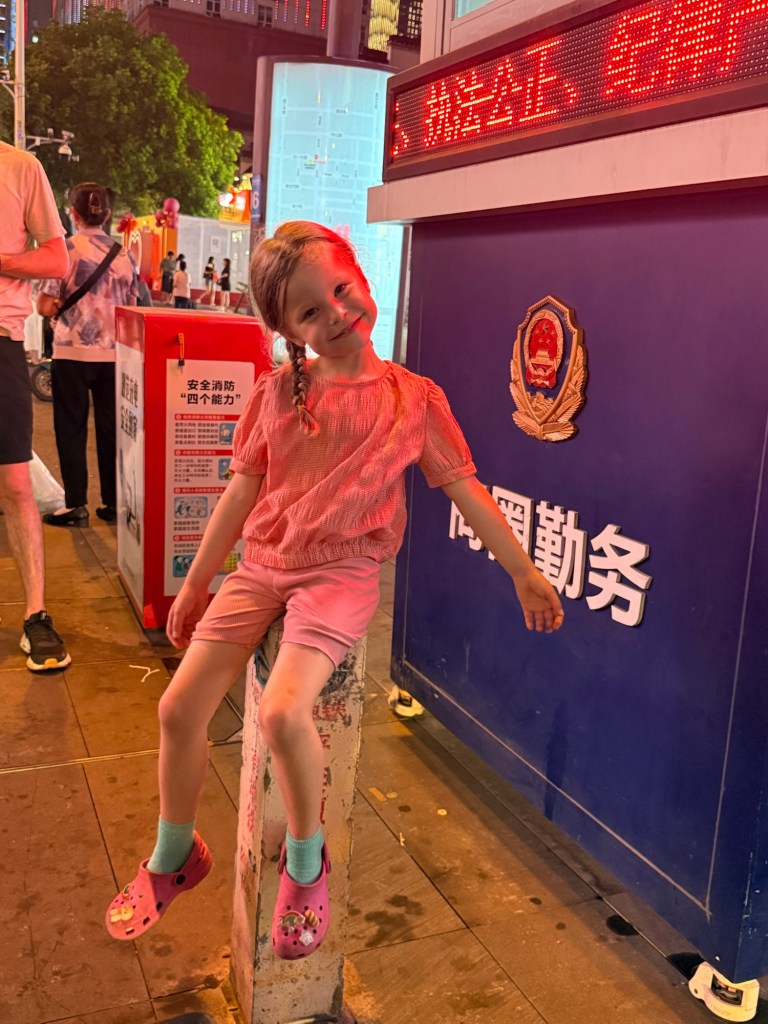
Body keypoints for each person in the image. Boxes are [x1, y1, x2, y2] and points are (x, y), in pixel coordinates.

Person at [104, 221, 564, 954]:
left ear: (362, 278)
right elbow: (240, 492)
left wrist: (523, 571)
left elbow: (466, 489)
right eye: (311, 311)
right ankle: (175, 852)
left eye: (342, 291)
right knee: (177, 708)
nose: (338, 314)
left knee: (284, 712)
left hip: (342, 571)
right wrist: (195, 585)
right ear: (288, 330)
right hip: (262, 563)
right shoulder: (275, 394)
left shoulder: (414, 400)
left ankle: (305, 860)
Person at [0, 139, 71, 671]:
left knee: (17, 482)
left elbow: (56, 256)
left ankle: (36, 614)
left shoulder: (20, 166)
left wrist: (1, 261)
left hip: (0, 339)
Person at [37, 182, 138, 528]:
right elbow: (132, 306)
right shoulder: (124, 255)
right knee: (111, 430)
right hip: (114, 357)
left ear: (73, 213)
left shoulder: (65, 251)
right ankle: (112, 503)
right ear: (107, 215)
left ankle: (76, 504)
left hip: (71, 354)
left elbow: (44, 305)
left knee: (70, 428)